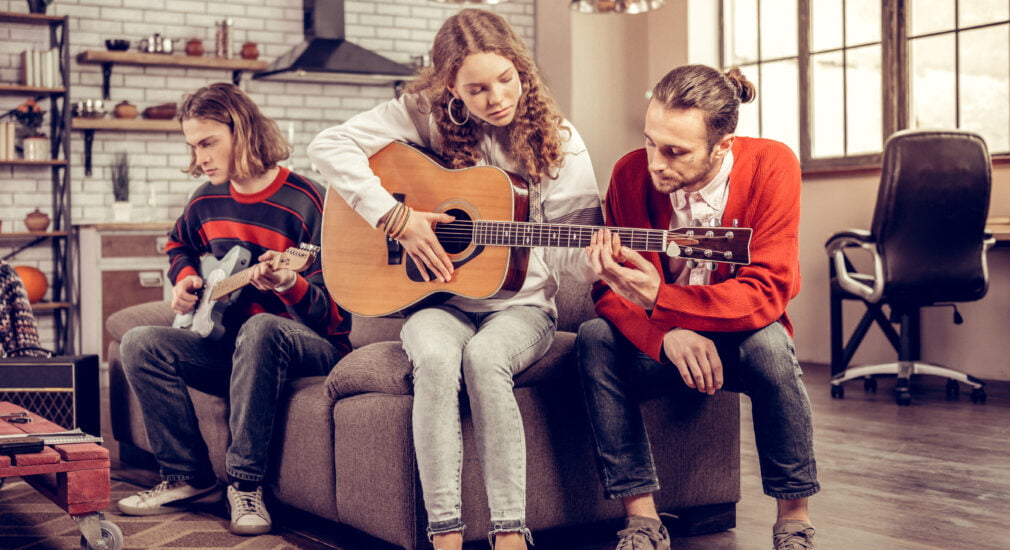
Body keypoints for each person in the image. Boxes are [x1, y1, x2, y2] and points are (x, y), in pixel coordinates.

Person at [308, 9, 603, 550]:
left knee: (484, 359)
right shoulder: (422, 115)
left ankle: (510, 533)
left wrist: (597, 260)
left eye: (506, 79)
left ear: (521, 68)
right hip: (438, 303)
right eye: (477, 88)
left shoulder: (558, 138)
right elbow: (327, 146)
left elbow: (571, 251)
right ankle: (444, 534)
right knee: (438, 360)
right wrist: (395, 217)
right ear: (450, 87)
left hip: (522, 307)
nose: (496, 98)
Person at [576, 64, 818, 550]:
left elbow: (768, 290)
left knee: (772, 344)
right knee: (594, 338)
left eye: (675, 152)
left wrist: (663, 299)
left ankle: (794, 520)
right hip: (663, 344)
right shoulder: (629, 174)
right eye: (650, 142)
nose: (656, 163)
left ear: (722, 145)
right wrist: (663, 332)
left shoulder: (773, 165)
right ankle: (641, 518)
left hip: (740, 341)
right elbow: (611, 294)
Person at [115, 82, 352, 536]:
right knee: (140, 342)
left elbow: (336, 316)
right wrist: (185, 279)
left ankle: (245, 485)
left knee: (262, 326)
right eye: (193, 145)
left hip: (311, 348)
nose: (200, 157)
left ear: (241, 131)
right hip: (234, 352)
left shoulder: (310, 201)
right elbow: (178, 244)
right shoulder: (206, 199)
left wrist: (290, 284)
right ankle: (188, 476)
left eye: (208, 143)